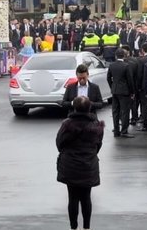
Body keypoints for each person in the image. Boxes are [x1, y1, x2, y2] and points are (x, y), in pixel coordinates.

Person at [56, 96, 104, 230]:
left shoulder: (67, 124)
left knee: (72, 198)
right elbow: (98, 145)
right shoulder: (96, 125)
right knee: (86, 198)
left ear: (74, 107)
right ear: (90, 108)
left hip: (70, 165)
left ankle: (73, 227)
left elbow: (59, 143)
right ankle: (87, 227)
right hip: (89, 165)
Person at [106, 49, 134, 138]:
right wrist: (132, 91)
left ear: (116, 56)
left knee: (115, 111)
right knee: (125, 111)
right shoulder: (126, 66)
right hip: (124, 91)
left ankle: (116, 130)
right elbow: (130, 80)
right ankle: (124, 131)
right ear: (124, 56)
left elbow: (108, 78)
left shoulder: (112, 65)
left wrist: (112, 86)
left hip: (115, 91)